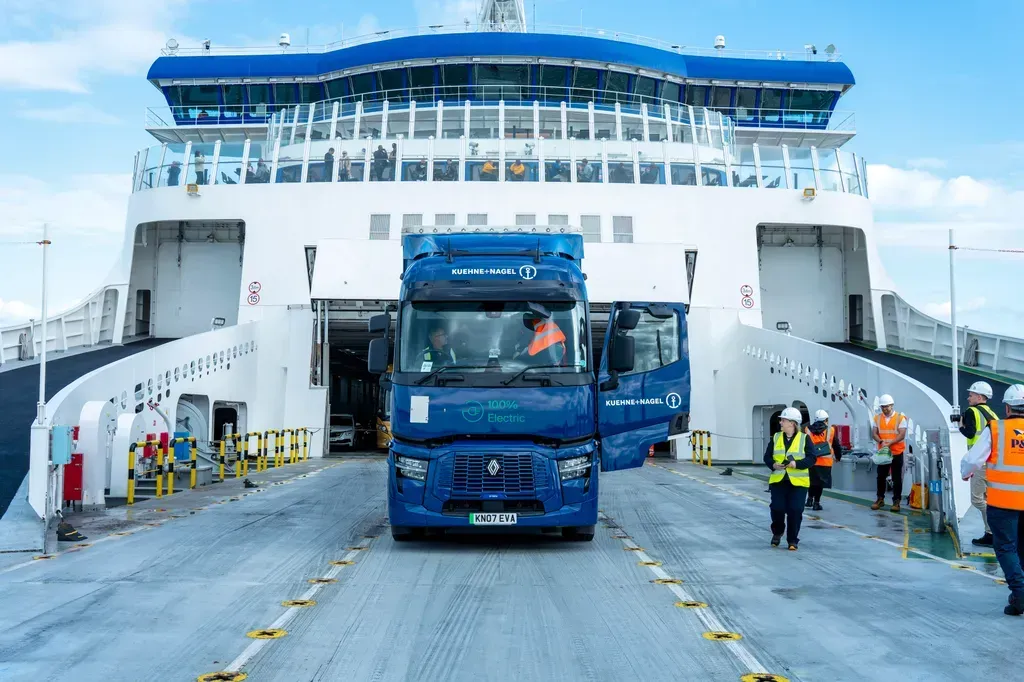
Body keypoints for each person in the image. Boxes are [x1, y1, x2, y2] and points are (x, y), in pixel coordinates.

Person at [961, 384, 1024, 616]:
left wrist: (965, 473)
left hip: (1003, 503)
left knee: (1006, 548)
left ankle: (1019, 593)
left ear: (1007, 408)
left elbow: (973, 460)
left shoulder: (996, 429)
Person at [955, 381, 1000, 546]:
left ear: (979, 397)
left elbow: (970, 433)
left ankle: (993, 529)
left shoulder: (971, 411)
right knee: (988, 497)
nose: (968, 398)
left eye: (971, 395)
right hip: (993, 462)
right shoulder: (992, 413)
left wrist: (960, 425)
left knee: (977, 500)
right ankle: (990, 533)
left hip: (979, 462)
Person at [765, 407, 814, 550]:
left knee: (795, 510)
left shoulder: (805, 439)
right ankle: (778, 532)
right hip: (779, 481)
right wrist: (773, 464)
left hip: (798, 483)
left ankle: (792, 540)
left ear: (792, 423)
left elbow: (812, 458)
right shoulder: (776, 437)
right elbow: (767, 456)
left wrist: (796, 464)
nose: (780, 422)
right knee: (777, 508)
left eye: (783, 420)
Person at [871, 394, 907, 511]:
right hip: (883, 453)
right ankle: (880, 499)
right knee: (880, 476)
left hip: (896, 452)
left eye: (886, 406)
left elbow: (902, 434)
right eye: (882, 407)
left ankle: (896, 502)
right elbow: (874, 433)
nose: (884, 409)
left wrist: (890, 443)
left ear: (892, 405)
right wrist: (880, 441)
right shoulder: (877, 418)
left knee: (896, 478)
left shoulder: (900, 418)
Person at [804, 409, 843, 511]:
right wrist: (838, 457)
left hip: (811, 461)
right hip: (825, 462)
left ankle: (809, 499)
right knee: (819, 484)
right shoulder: (831, 430)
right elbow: (836, 445)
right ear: (826, 420)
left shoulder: (807, 429)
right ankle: (816, 503)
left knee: (811, 481)